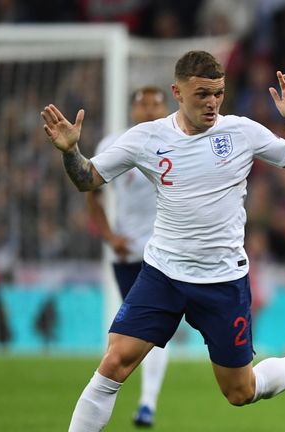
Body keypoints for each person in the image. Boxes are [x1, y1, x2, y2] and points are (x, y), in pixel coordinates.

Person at [41, 50, 285, 432]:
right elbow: (87, 180)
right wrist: (71, 152)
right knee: (114, 363)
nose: (212, 103)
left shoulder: (241, 132)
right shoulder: (147, 138)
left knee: (240, 392)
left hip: (222, 280)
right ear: (177, 92)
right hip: (163, 273)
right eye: (202, 94)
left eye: (218, 93)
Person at [85, 86, 169, 427]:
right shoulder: (114, 146)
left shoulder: (179, 141)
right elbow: (92, 193)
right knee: (134, 334)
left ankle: (148, 401)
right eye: (142, 104)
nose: (149, 110)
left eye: (155, 104)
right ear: (132, 109)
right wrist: (108, 235)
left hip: (166, 253)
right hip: (128, 253)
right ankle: (117, 396)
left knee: (157, 328)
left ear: (167, 106)